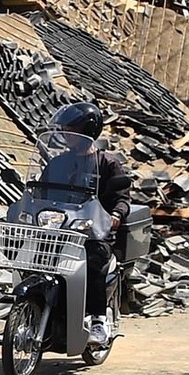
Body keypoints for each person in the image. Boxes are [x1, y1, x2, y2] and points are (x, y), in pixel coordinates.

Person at [45, 102, 133, 347]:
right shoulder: (58, 163)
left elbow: (122, 198)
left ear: (87, 131)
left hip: (94, 233)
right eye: (64, 129)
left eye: (71, 130)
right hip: (60, 230)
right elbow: (40, 191)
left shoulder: (108, 164)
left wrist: (116, 214)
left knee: (93, 262)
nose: (65, 135)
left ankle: (98, 320)